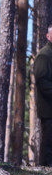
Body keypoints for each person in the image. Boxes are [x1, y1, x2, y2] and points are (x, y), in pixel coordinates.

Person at [33, 24, 52, 165]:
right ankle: (44, 173)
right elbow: (41, 81)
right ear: (48, 36)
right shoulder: (44, 55)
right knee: (48, 145)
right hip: (48, 110)